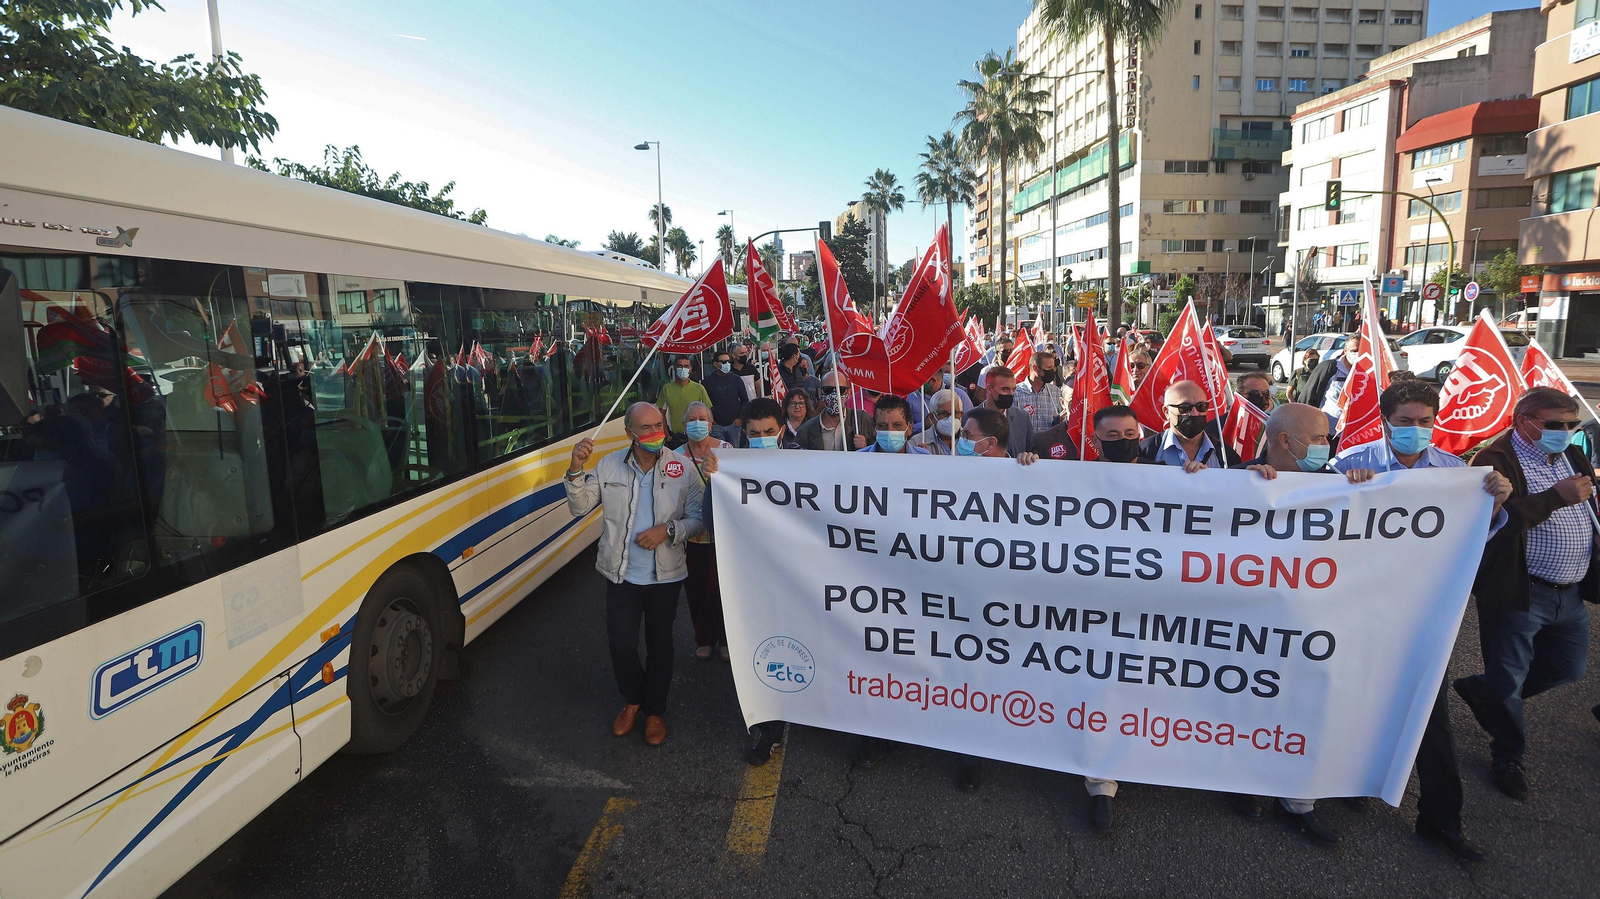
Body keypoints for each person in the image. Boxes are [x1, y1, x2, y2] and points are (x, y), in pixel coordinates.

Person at [1327, 379, 1511, 860]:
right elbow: (1310, 525)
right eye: (1405, 422)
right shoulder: (1350, 463)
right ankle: (1351, 783)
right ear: (1385, 421)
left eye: (1424, 421)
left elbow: (1473, 539)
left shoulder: (1458, 473)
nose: (1415, 430)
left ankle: (1441, 821)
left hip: (1422, 617)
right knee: (1353, 706)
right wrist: (1344, 492)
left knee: (1431, 718)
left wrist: (1492, 503)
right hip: (1357, 613)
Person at [1457, 386, 1596, 803]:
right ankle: (1508, 756)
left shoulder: (1571, 455)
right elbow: (1493, 524)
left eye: (1572, 425)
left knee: (1568, 668)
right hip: (1519, 590)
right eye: (1556, 425)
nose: (1566, 432)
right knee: (1510, 677)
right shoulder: (1495, 461)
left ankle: (1488, 693)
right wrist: (1557, 498)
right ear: (1524, 422)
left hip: (1568, 592)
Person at [565, 403, 704, 747]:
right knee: (622, 645)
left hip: (665, 576)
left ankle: (655, 712)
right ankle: (633, 700)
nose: (656, 432)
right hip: (620, 574)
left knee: (660, 645)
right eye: (646, 428)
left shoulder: (682, 468)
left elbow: (700, 518)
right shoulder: (609, 465)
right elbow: (580, 506)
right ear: (629, 433)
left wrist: (668, 530)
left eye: (659, 424)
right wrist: (575, 469)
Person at [943, 407, 1038, 791]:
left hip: (1009, 600)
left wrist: (1033, 466)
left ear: (991, 443)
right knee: (969, 673)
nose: (961, 441)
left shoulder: (1024, 471)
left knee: (1005, 674)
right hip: (963, 595)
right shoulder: (949, 470)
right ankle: (970, 754)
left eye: (967, 436)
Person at [1072, 404, 1142, 829]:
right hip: (1094, 608)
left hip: (1150, 608)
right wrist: (1025, 471)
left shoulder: (1178, 479)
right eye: (1110, 437)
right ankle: (1101, 783)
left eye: (1128, 433)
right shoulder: (1074, 480)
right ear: (1096, 441)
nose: (1122, 442)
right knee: (1099, 686)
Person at [679, 402, 732, 661]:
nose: (697, 422)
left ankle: (726, 639)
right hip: (692, 537)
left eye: (702, 418)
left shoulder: (727, 451)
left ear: (711, 424)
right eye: (692, 418)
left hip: (723, 535)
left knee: (724, 589)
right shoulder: (676, 456)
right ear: (683, 425)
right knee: (697, 590)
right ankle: (704, 638)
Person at [1138, 380, 1240, 470]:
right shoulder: (1147, 451)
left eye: (1201, 406)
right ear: (1166, 412)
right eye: (1185, 407)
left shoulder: (1225, 454)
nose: (1194, 413)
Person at [1297, 334, 1367, 430]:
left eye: (1361, 351)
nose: (1358, 354)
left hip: (1353, 434)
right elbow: (1307, 396)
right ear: (1345, 351)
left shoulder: (1368, 373)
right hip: (1326, 432)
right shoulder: (1329, 368)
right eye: (1354, 351)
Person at [797, 372, 873, 451]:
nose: (834, 395)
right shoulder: (806, 431)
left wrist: (866, 448)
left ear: (849, 393)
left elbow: (879, 454)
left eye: (841, 390)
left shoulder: (863, 420)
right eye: (827, 390)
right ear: (819, 393)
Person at [974, 365, 1033, 457]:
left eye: (1013, 389)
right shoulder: (971, 418)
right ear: (989, 388)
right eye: (1005, 389)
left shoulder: (1023, 418)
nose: (1011, 394)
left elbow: (1031, 450)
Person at [655, 355, 711, 439]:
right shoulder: (667, 388)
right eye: (680, 366)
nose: (683, 369)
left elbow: (708, 413)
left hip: (695, 434)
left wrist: (706, 433)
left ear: (690, 369)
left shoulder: (699, 388)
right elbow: (661, 414)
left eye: (686, 366)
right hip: (675, 436)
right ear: (674, 367)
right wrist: (666, 435)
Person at [701, 350, 750, 445]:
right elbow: (704, 404)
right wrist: (709, 419)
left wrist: (740, 418)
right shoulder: (707, 382)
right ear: (715, 364)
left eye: (728, 361)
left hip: (734, 425)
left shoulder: (736, 379)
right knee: (719, 454)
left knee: (735, 453)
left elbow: (745, 400)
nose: (727, 364)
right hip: (716, 425)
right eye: (724, 362)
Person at [857, 394, 932, 455]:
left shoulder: (923, 459)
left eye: (897, 425)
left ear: (909, 428)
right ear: (874, 428)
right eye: (882, 426)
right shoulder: (859, 459)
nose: (890, 430)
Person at [1014, 351, 1064, 433]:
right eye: (1048, 368)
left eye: (1053, 368)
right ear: (1035, 368)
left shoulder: (1056, 392)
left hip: (1048, 443)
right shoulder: (1016, 392)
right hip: (1024, 444)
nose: (1052, 371)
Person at [911, 388, 966, 455]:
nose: (950, 418)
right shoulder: (916, 443)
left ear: (961, 414)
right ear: (931, 417)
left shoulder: (972, 441)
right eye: (943, 413)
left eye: (955, 413)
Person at [1029, 388, 1079, 460]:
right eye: (1073, 400)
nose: (1080, 404)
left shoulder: (1099, 437)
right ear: (1062, 403)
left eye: (1083, 399)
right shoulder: (1043, 440)